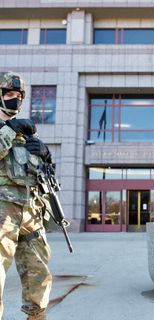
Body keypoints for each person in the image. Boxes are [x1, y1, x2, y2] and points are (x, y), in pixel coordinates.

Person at [0, 71, 52, 320]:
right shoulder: (11, 129)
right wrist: (8, 129)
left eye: (19, 96)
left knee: (39, 278)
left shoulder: (25, 134)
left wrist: (45, 154)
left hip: (31, 214)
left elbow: (42, 176)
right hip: (2, 214)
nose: (15, 100)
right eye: (9, 94)